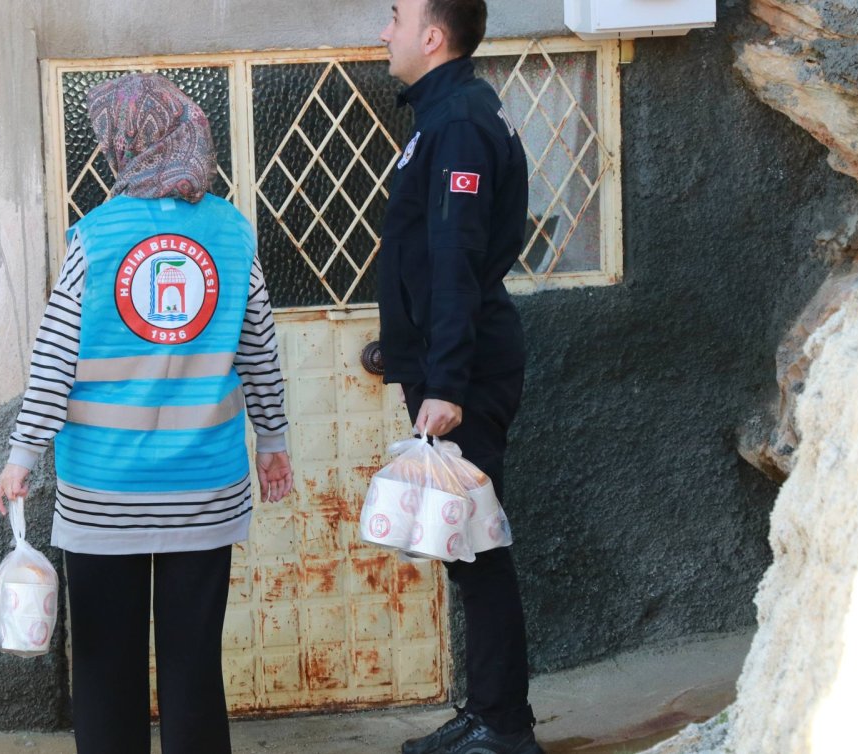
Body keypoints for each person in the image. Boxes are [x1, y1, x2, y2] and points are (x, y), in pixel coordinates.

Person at [0, 73, 293, 754]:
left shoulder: (95, 238)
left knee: (104, 671)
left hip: (104, 493)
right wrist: (272, 442)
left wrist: (21, 458)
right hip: (205, 490)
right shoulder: (233, 233)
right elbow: (261, 354)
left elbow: (54, 360)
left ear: (123, 145)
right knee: (193, 671)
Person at [376, 2, 543, 753]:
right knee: (464, 546)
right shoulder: (444, 117)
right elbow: (427, 257)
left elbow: (456, 258)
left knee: (478, 549)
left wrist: (442, 381)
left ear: (432, 36)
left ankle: (504, 728)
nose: (387, 31)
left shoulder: (461, 124)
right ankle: (490, 714)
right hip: (448, 366)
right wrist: (403, 352)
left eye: (397, 16)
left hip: (466, 374)